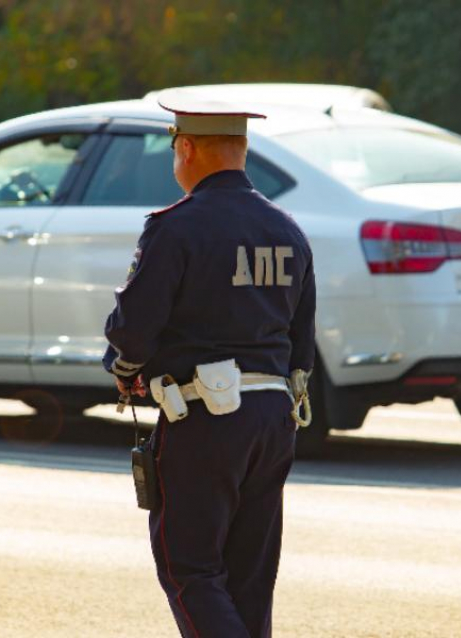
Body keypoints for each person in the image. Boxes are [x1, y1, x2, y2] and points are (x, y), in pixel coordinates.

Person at [103, 88, 315, 638]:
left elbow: (132, 329)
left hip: (205, 419)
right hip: (273, 419)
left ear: (187, 149)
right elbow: (302, 337)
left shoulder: (176, 226)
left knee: (190, 569)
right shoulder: (287, 229)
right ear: (241, 150)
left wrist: (126, 371)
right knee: (249, 580)